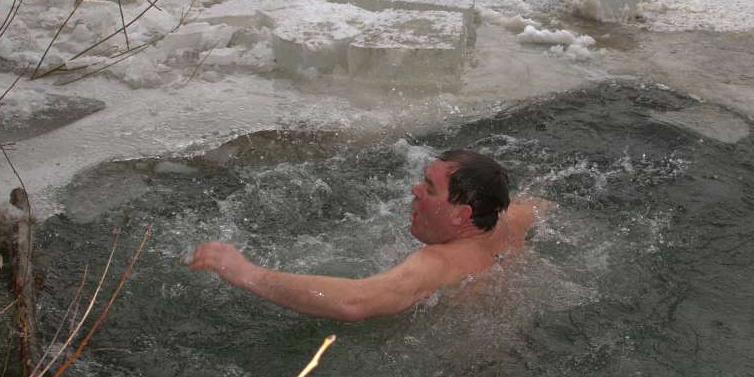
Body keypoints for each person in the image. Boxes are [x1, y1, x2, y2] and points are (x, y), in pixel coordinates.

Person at [187, 150, 544, 321]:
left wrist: (247, 273)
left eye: (430, 189)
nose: (415, 190)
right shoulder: (510, 220)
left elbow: (354, 301)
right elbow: (548, 205)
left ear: (460, 214)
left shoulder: (437, 263)